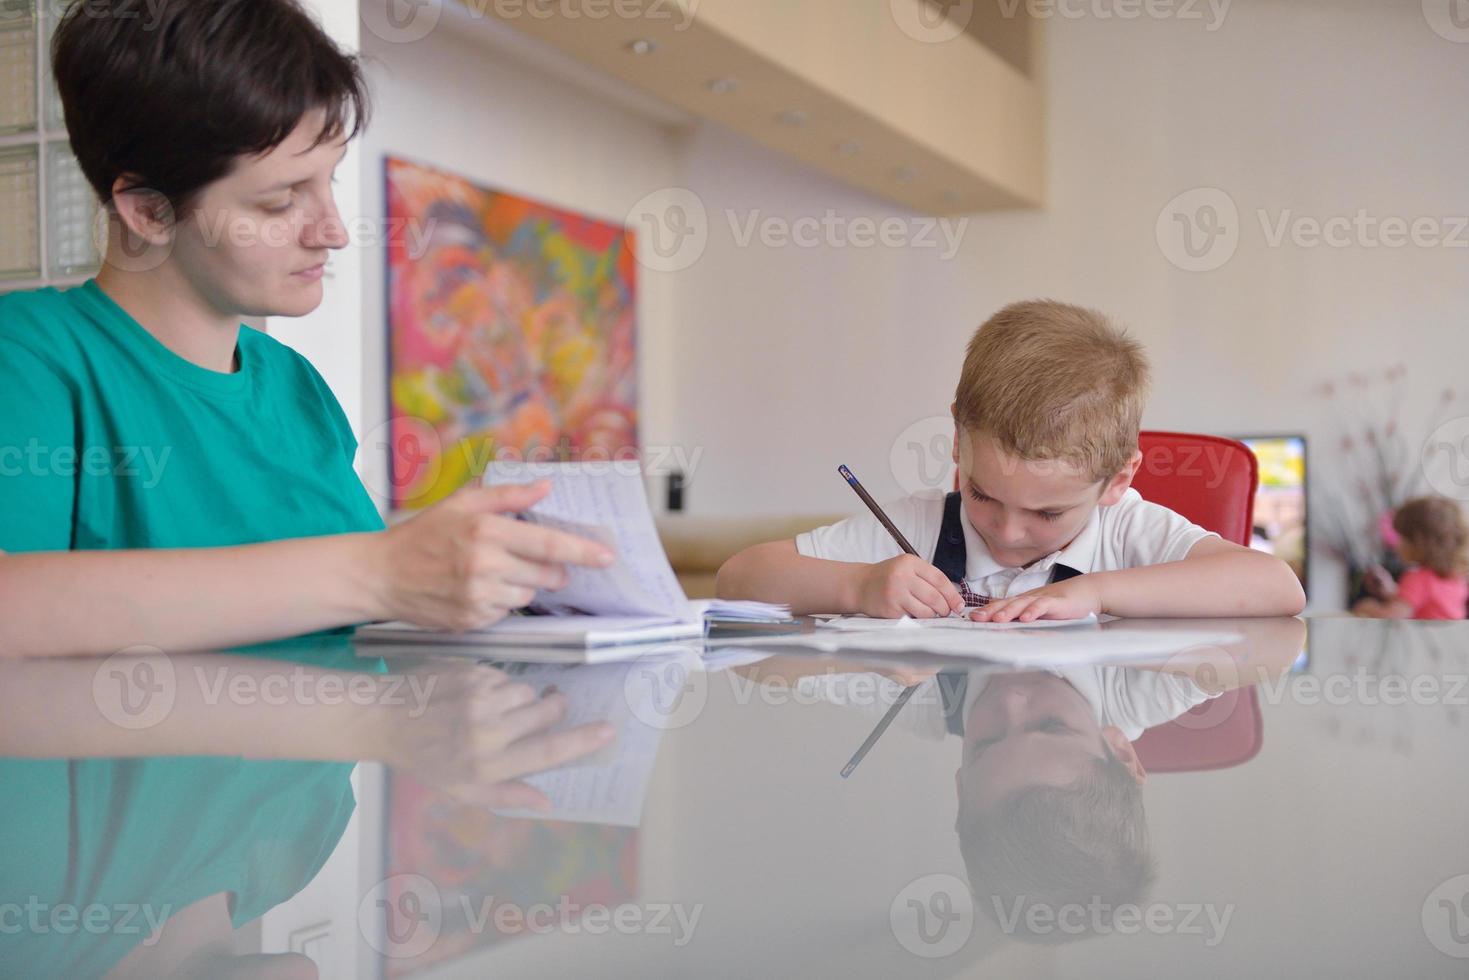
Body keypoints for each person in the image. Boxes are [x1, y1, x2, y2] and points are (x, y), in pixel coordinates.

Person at [0, 0, 616, 660]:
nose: (333, 230)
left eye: (328, 182)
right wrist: (377, 572)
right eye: (280, 200)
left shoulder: (296, 389)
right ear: (149, 210)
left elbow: (340, 626)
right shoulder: (31, 358)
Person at [716, 300, 1306, 621]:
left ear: (1117, 480)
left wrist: (1097, 593)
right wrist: (860, 586)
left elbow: (1277, 587)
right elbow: (738, 579)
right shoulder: (917, 530)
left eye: (1048, 514)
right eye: (982, 494)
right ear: (957, 441)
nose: (1007, 530)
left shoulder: (1125, 531)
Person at [1354, 496, 1469, 620]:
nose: (1397, 544)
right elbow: (1423, 602)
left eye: (1402, 537)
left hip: (1421, 639)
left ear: (1419, 543)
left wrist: (1368, 608)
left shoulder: (1417, 579)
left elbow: (1394, 616)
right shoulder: (1456, 579)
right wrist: (1391, 592)